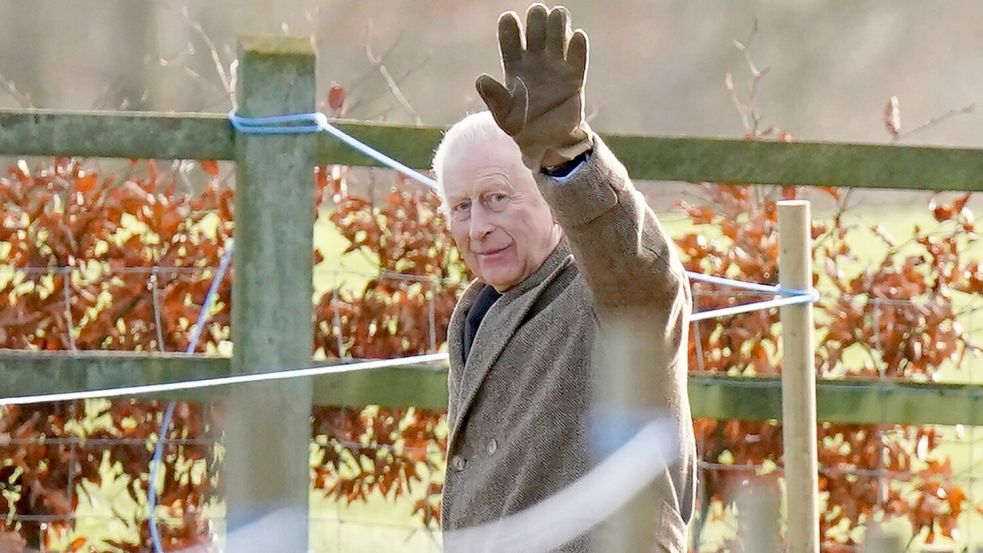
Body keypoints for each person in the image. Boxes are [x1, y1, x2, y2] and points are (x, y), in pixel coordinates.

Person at [432, 4, 695, 551]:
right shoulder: (477, 313)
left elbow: (643, 275)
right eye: (461, 207)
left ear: (551, 202)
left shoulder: (603, 293)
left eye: (497, 198)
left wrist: (566, 158)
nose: (479, 227)